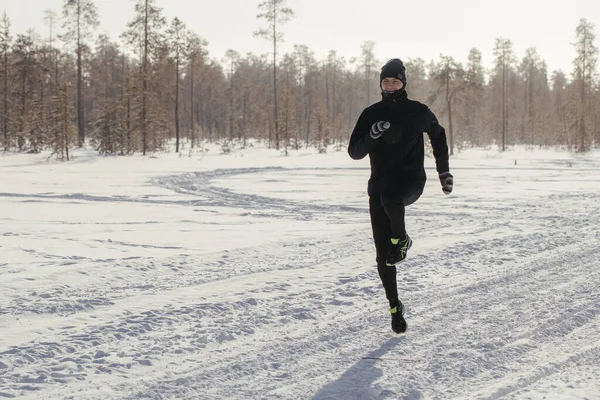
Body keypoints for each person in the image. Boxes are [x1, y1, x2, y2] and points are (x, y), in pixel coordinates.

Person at [348, 58, 453, 334]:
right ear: (380, 83)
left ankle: (402, 239)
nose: (390, 85)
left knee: (391, 198)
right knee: (383, 255)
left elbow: (438, 136)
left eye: (395, 80)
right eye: (386, 81)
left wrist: (444, 173)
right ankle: (395, 308)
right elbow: (355, 151)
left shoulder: (417, 111)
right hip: (378, 187)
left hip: (410, 181)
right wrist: (372, 134)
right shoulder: (371, 114)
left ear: (404, 82)